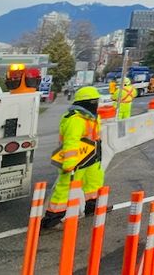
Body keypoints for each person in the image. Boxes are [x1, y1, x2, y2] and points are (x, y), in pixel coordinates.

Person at [42, 86, 104, 229]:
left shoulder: (92, 117)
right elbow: (71, 142)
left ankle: (92, 207)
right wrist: (69, 164)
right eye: (94, 101)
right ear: (86, 103)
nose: (96, 104)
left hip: (91, 158)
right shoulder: (75, 119)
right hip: (76, 161)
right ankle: (53, 219)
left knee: (94, 182)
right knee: (65, 188)